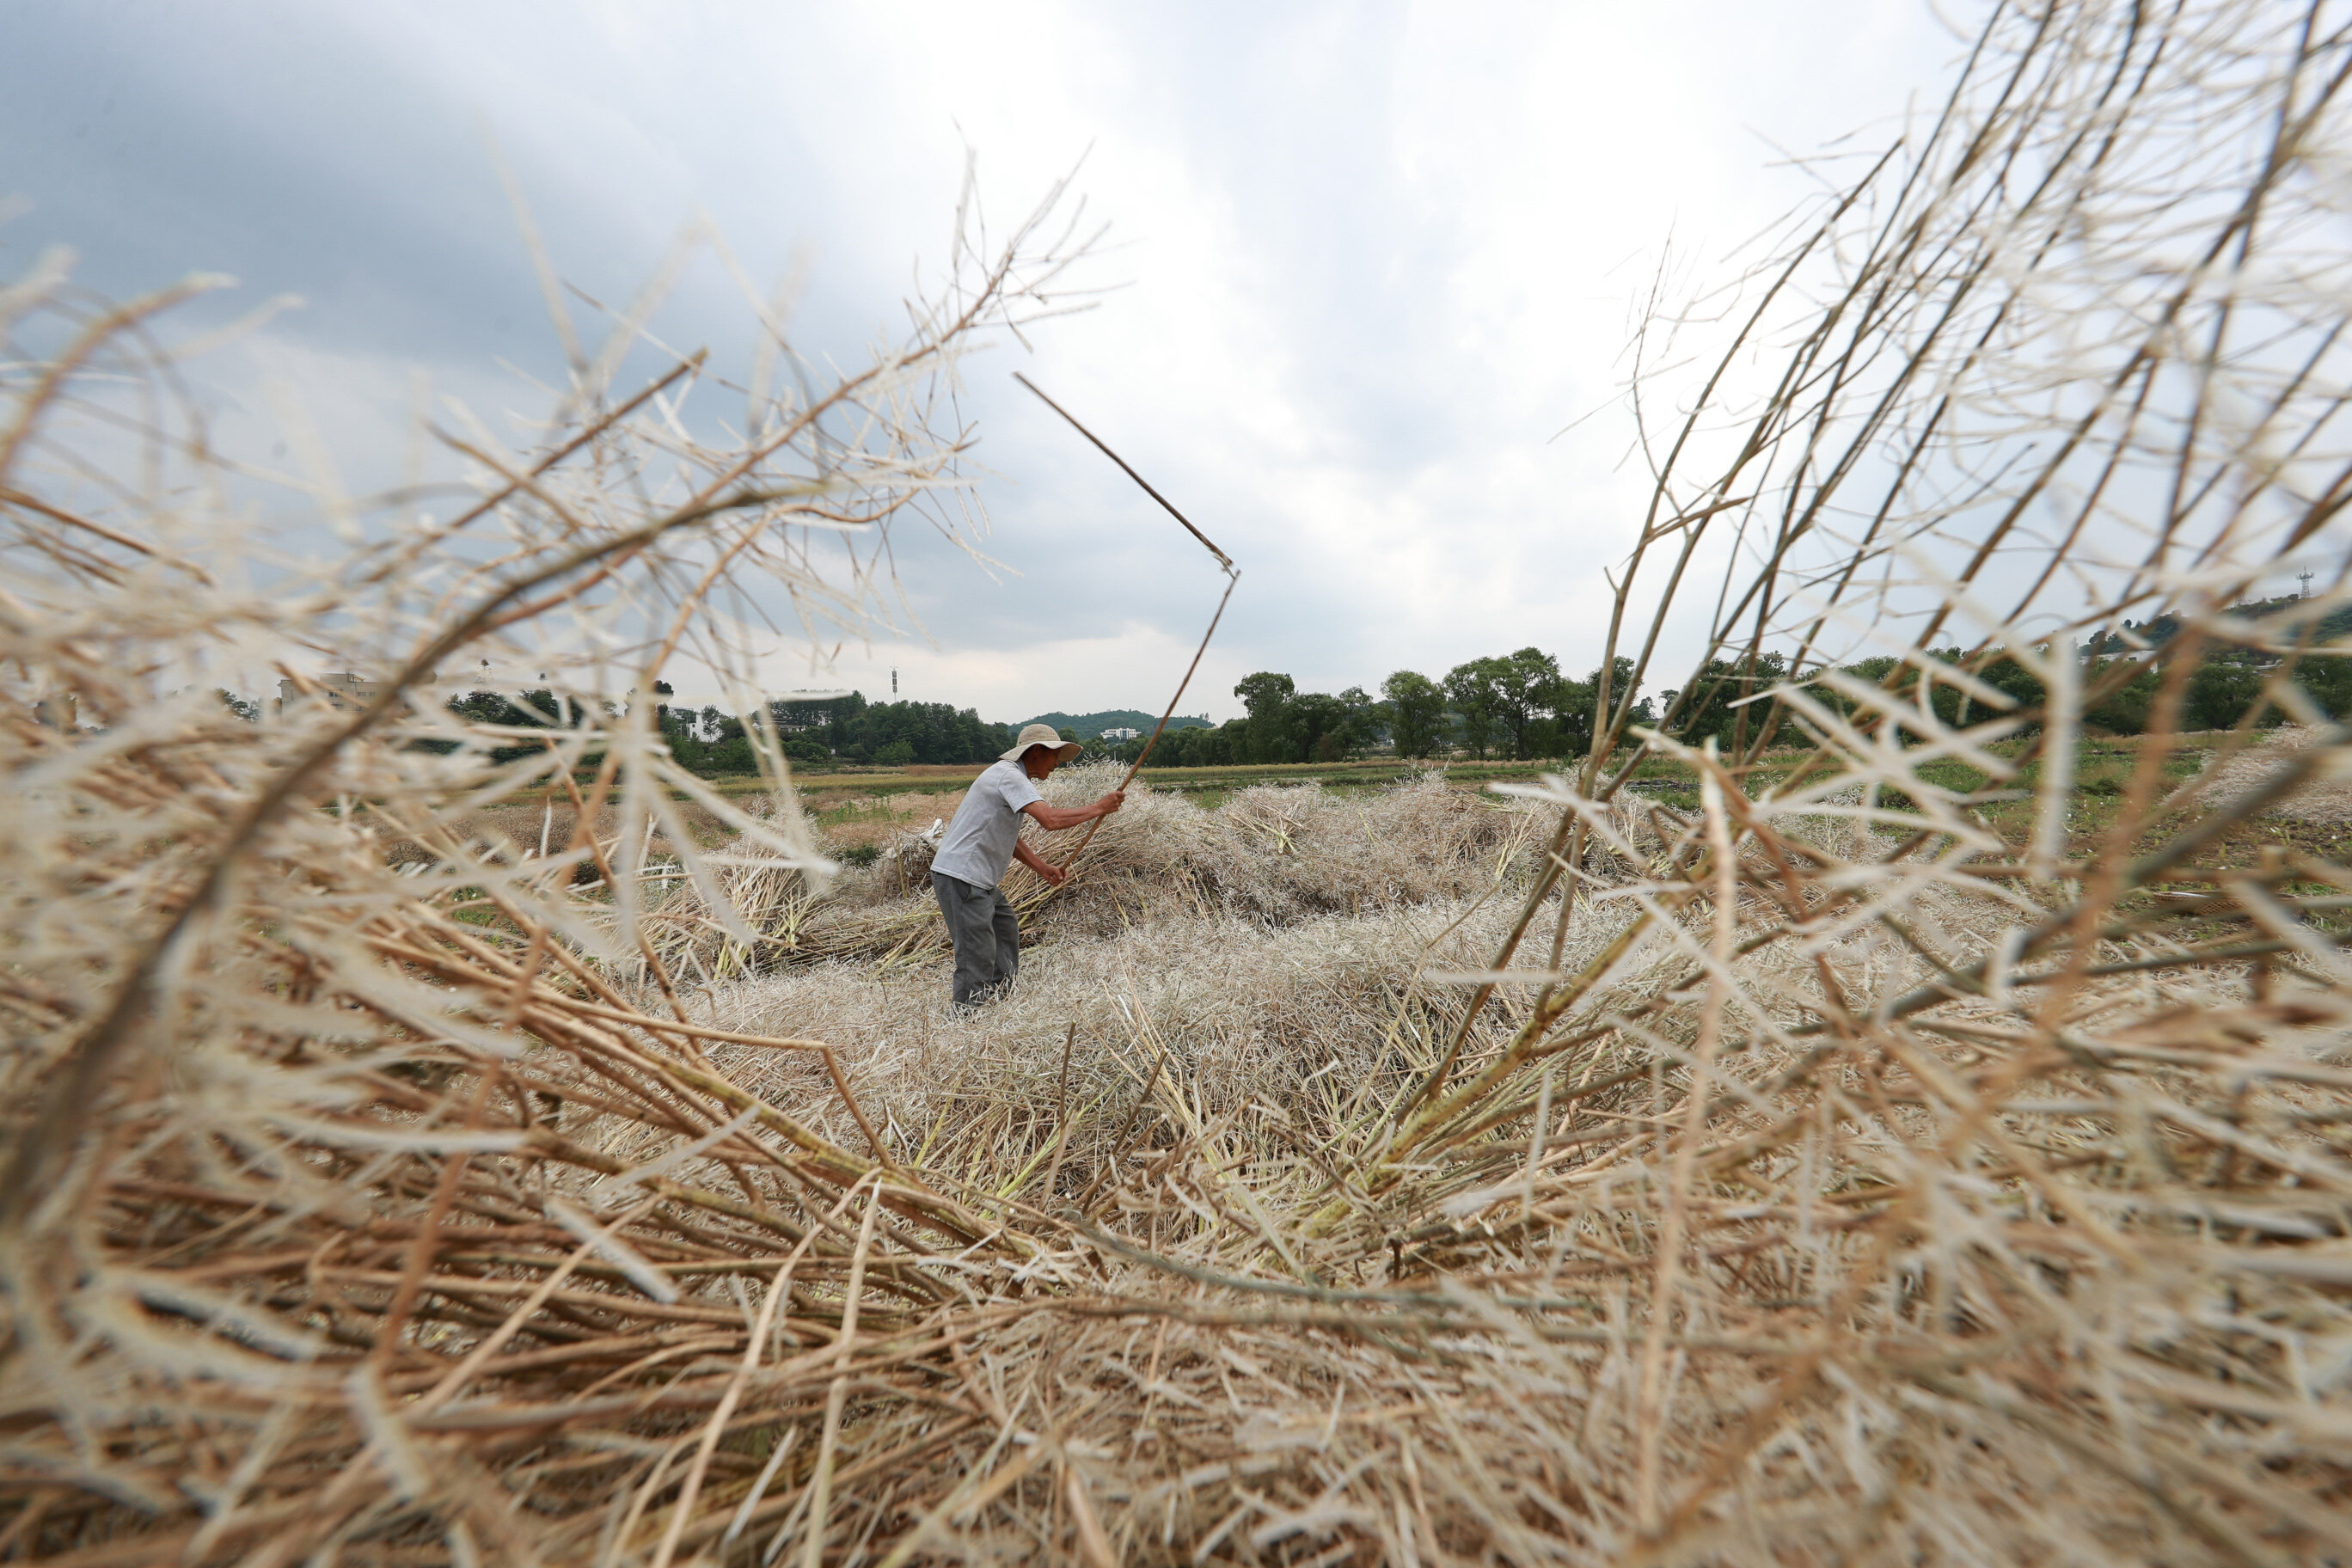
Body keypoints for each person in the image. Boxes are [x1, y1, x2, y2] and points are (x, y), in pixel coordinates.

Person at [929, 723, 1124, 1008]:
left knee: (1005, 926)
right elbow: (1050, 820)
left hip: (977, 880)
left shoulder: (1010, 777)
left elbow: (1011, 837)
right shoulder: (1008, 775)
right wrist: (1099, 807)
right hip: (962, 877)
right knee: (976, 952)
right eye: (1054, 755)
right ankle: (966, 1018)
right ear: (1035, 752)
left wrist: (1042, 867)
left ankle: (1000, 1000)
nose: (1057, 763)